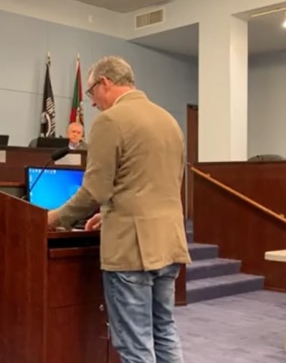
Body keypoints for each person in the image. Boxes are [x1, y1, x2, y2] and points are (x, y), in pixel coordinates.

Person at [46, 56, 191, 363]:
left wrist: (54, 218)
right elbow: (156, 184)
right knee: (164, 331)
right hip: (169, 241)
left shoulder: (111, 121)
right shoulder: (169, 120)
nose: (94, 103)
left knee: (134, 344)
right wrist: (110, 211)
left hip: (132, 249)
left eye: (91, 94)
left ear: (106, 83)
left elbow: (94, 190)